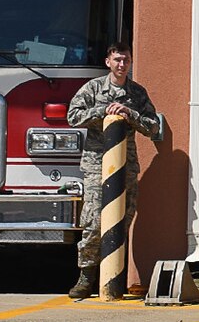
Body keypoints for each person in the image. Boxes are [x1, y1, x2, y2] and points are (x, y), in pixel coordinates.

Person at [64, 42, 166, 301]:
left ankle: (115, 279)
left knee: (124, 219)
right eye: (118, 60)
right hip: (97, 165)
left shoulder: (136, 93)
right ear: (108, 61)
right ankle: (86, 277)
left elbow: (153, 127)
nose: (122, 65)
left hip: (126, 166)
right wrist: (103, 110)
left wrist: (130, 113)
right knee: (95, 222)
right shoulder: (94, 88)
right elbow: (73, 116)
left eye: (126, 60)